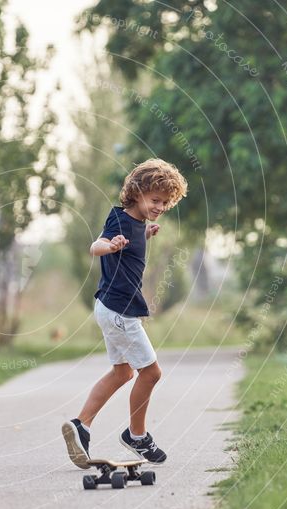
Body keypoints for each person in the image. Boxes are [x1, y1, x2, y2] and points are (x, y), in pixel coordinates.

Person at [61, 158, 188, 468]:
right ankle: (137, 435)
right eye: (155, 200)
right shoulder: (119, 222)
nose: (160, 206)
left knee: (123, 372)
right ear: (137, 192)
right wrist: (111, 245)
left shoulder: (135, 223)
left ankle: (82, 425)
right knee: (152, 372)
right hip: (119, 310)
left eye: (165, 202)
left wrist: (143, 236)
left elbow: (130, 239)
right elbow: (95, 246)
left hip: (110, 307)